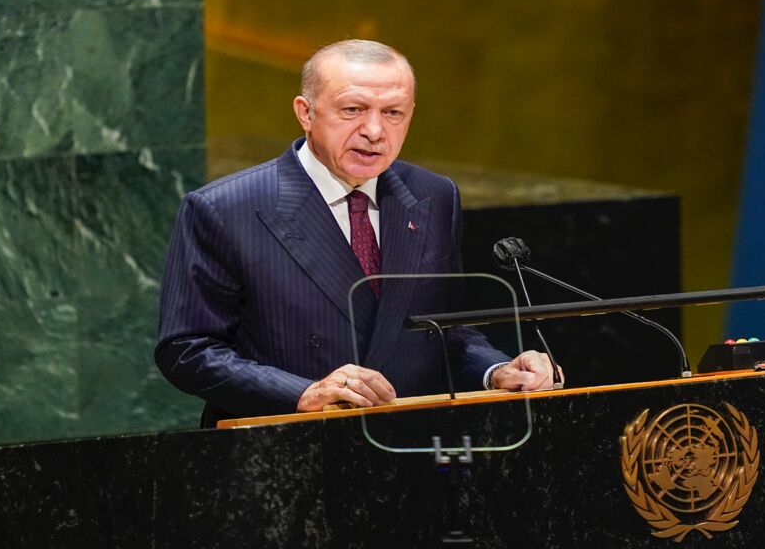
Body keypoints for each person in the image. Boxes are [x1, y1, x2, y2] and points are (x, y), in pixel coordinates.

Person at [156, 39, 558, 426]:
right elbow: (187, 350)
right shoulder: (225, 208)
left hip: (409, 448)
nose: (374, 130)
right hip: (284, 452)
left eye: (393, 113)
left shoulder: (434, 196)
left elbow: (446, 330)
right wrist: (302, 393)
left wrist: (497, 370)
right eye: (352, 109)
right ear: (305, 112)